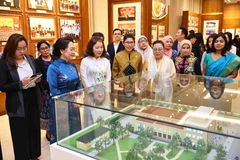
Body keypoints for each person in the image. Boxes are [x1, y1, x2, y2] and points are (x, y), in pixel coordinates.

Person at [0, 33, 42, 160]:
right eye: (19, 48)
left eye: (24, 48)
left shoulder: (29, 58)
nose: (22, 51)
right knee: (20, 132)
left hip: (33, 97)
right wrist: (20, 84)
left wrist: (37, 78)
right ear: (12, 47)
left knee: (34, 129)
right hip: (17, 102)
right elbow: (2, 86)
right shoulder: (4, 63)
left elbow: (37, 71)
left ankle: (35, 155)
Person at [47, 37, 82, 144]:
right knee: (62, 134)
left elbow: (78, 83)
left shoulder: (72, 65)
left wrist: (79, 97)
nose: (73, 52)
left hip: (74, 104)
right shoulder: (53, 68)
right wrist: (70, 101)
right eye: (71, 49)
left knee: (75, 131)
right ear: (62, 51)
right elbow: (54, 90)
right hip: (60, 104)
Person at [35, 40, 57, 141]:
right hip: (46, 90)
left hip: (57, 88)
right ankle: (48, 132)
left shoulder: (55, 59)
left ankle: (57, 130)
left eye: (47, 47)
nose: (45, 50)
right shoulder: (37, 62)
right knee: (48, 111)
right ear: (39, 50)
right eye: (42, 48)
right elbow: (40, 77)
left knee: (57, 110)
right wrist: (48, 87)